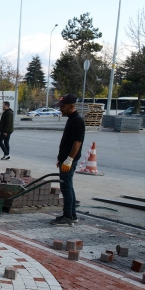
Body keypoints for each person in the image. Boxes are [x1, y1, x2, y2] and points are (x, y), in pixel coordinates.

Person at [51, 94, 85, 227]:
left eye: (63, 107)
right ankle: (72, 215)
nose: (61, 109)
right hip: (65, 159)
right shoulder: (71, 119)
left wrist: (69, 159)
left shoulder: (77, 120)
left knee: (65, 188)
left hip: (69, 160)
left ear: (71, 106)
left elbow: (77, 142)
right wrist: (61, 158)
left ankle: (67, 216)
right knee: (68, 186)